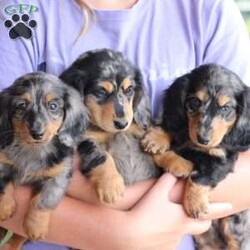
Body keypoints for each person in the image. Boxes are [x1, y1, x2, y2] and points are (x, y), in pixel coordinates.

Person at [0, 0, 250, 249]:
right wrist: (117, 233)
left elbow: (244, 167)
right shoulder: (19, 8)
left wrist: (148, 212)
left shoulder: (207, 9)